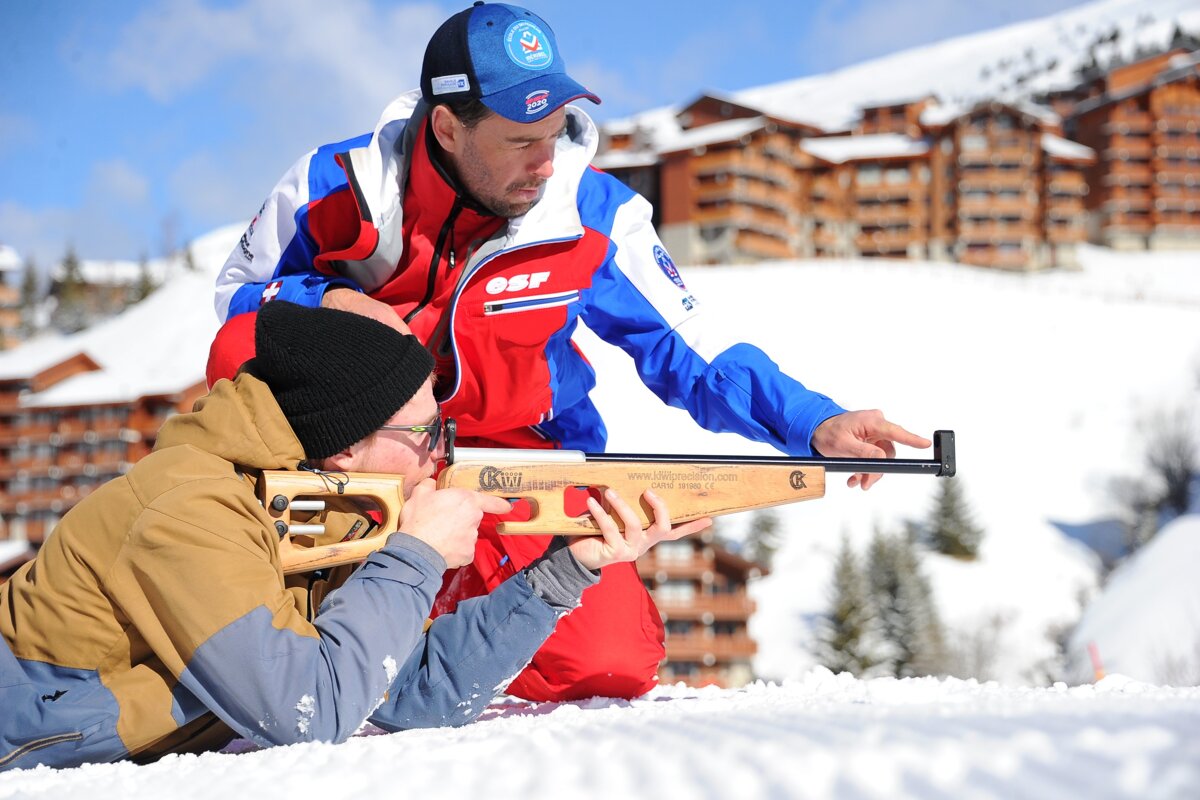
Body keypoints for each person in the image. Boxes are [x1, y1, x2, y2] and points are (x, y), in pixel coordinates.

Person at [207, 2, 931, 702]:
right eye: (521, 140)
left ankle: (434, 641)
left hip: (523, 475)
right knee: (269, 648)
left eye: (555, 132)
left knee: (612, 662)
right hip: (364, 463)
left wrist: (813, 422)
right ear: (448, 128)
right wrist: (331, 300)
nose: (546, 162)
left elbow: (687, 349)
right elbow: (236, 304)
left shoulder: (592, 212)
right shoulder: (331, 188)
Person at [0, 302, 709, 772]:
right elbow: (307, 713)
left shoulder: (323, 501)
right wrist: (418, 553)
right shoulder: (189, 510)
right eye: (425, 432)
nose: (441, 452)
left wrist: (566, 570)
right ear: (344, 448)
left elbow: (411, 692)